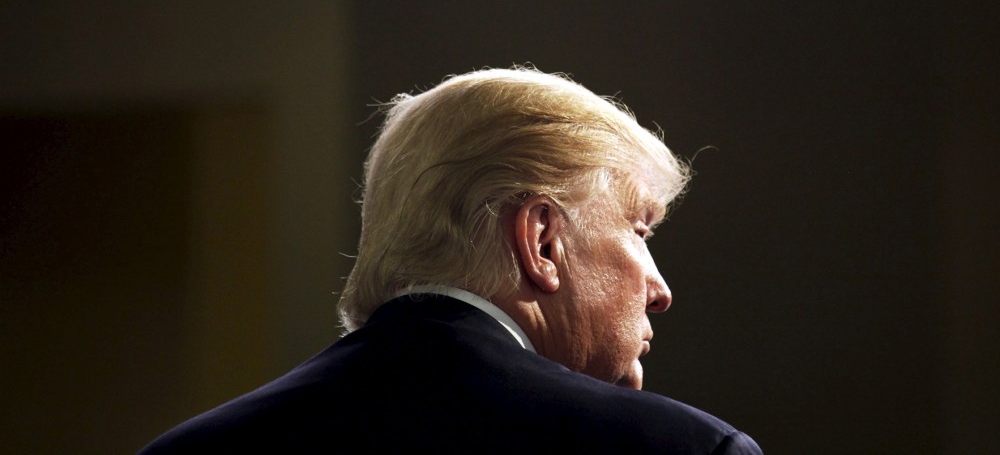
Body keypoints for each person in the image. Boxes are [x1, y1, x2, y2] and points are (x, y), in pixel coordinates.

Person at [139, 67, 763, 454]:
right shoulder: (681, 449)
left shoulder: (186, 450)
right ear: (543, 241)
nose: (660, 290)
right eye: (640, 231)